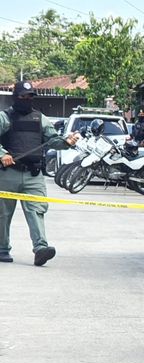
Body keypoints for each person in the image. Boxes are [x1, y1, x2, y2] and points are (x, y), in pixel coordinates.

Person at [0, 81, 79, 266]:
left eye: (30, 97)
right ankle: (2, 248)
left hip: (33, 175)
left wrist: (67, 142)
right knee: (2, 214)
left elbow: (52, 141)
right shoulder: (4, 117)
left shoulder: (40, 118)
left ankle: (41, 248)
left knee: (37, 210)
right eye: (23, 97)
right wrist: (3, 154)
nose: (27, 100)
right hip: (7, 173)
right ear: (16, 97)